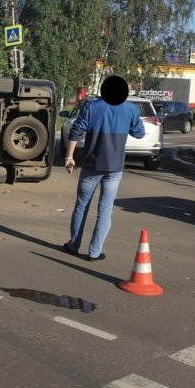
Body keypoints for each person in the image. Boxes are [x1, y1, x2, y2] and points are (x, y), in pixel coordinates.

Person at [63, 75, 145, 261]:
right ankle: (95, 252)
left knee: (81, 206)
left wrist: (69, 157)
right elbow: (139, 133)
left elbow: (76, 131)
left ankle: (73, 245)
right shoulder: (130, 109)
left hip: (92, 165)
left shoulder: (92, 107)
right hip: (115, 168)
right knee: (105, 210)